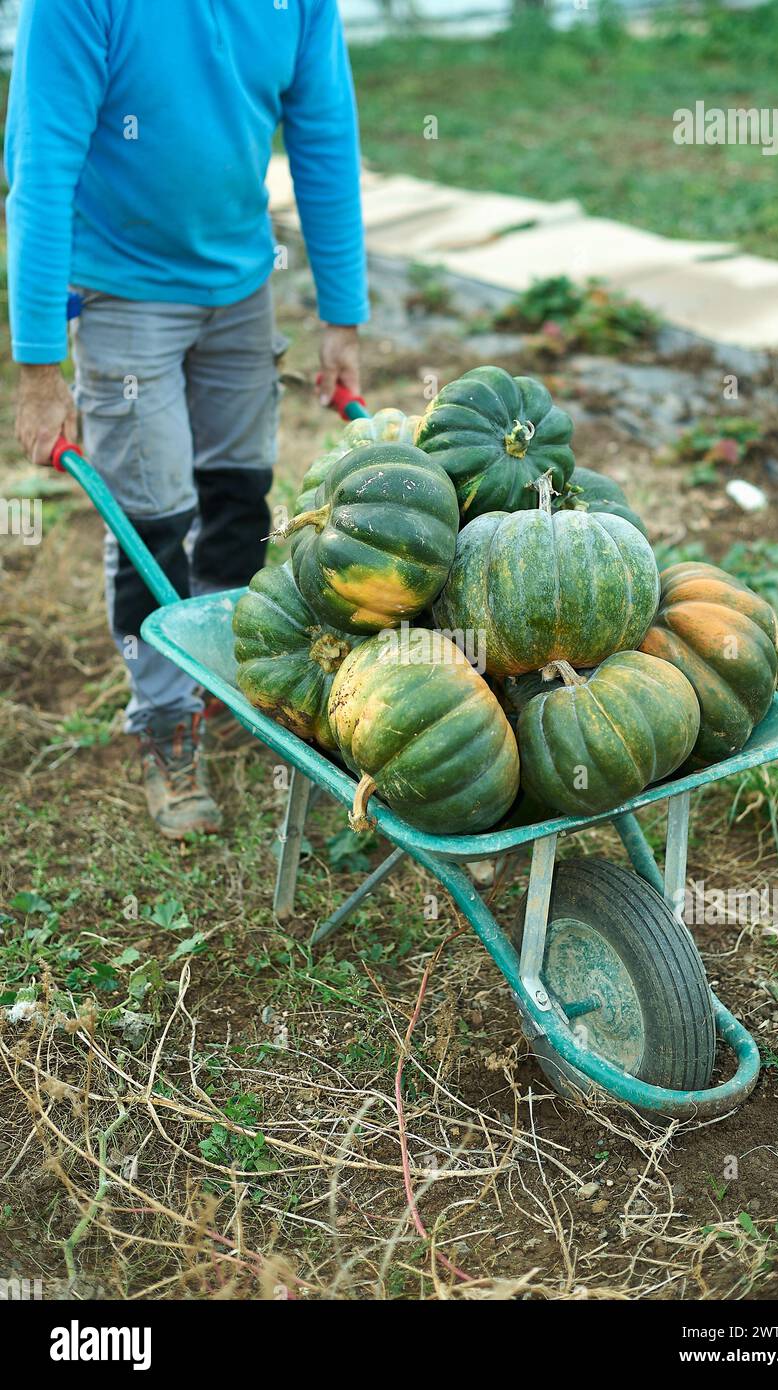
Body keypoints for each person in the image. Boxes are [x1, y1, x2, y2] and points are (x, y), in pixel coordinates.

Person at [6, 0, 368, 839]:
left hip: (240, 285)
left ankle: (228, 680)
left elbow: (323, 139)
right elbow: (42, 168)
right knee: (153, 515)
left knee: (241, 495)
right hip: (124, 290)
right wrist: (37, 367)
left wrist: (341, 315)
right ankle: (164, 717)